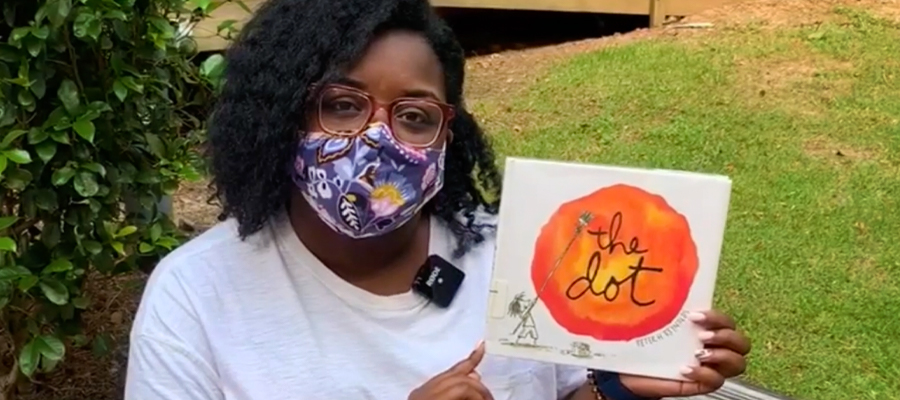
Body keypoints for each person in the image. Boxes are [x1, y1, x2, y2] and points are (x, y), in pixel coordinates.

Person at [124, 0, 751, 398]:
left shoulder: (520, 256)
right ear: (282, 115)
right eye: (342, 106)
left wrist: (618, 386)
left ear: (448, 134)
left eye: (414, 115)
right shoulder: (198, 295)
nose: (377, 139)